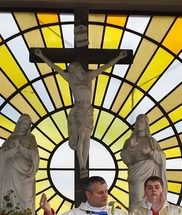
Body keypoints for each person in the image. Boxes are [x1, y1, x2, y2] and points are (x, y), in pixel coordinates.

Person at [34, 48, 128, 178]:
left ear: (79, 68)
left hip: (88, 110)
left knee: (86, 136)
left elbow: (105, 67)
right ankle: (82, 165)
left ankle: (84, 165)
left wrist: (119, 58)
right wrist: (42, 56)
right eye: (71, 70)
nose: (73, 72)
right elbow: (55, 67)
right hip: (78, 110)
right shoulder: (71, 79)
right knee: (82, 135)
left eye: (74, 69)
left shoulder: (88, 77)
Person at [121, 114, 167, 208]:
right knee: (137, 199)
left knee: (153, 198)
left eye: (141, 122)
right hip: (136, 173)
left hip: (150, 171)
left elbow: (162, 157)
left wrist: (150, 152)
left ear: (146, 125)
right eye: (137, 122)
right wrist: (130, 148)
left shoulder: (152, 141)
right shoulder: (130, 141)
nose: (138, 124)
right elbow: (125, 158)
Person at [0, 114, 40, 212]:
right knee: (11, 198)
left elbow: (34, 155)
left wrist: (21, 148)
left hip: (26, 174)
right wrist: (13, 151)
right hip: (12, 171)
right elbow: (1, 155)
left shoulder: (31, 138)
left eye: (27, 125)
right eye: (24, 124)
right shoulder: (10, 139)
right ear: (19, 124)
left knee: (27, 200)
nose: (25, 127)